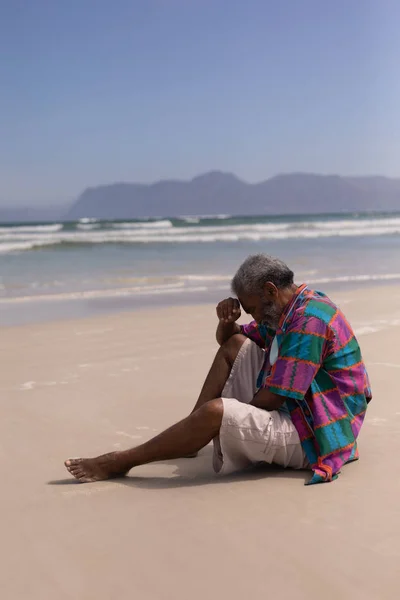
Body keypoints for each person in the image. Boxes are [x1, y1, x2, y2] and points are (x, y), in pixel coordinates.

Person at [65, 254, 372, 485]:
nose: (251, 314)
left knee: (215, 413)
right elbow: (232, 341)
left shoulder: (308, 321)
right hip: (304, 407)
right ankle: (188, 439)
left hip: (318, 433)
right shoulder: (291, 308)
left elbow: (273, 399)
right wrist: (226, 322)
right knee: (234, 346)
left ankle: (121, 461)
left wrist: (221, 418)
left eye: (250, 307)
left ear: (269, 291)